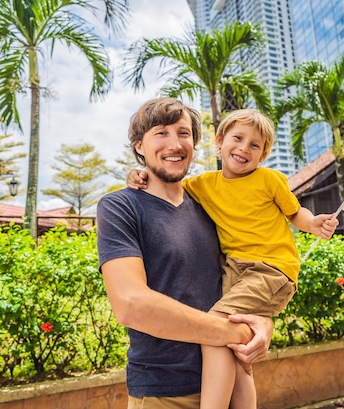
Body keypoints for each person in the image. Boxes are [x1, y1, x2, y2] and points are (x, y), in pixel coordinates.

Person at [127, 108, 339, 409]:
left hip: (271, 269)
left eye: (255, 145)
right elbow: (165, 183)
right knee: (235, 348)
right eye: (237, 139)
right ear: (220, 141)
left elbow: (295, 212)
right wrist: (139, 174)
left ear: (263, 155)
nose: (243, 148)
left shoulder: (270, 180)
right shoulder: (203, 185)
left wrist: (313, 223)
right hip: (235, 269)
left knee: (215, 326)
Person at [96, 98, 274, 409]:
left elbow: (245, 272)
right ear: (140, 147)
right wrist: (231, 331)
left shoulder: (212, 206)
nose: (175, 144)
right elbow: (130, 304)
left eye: (184, 133)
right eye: (161, 134)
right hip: (163, 393)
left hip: (230, 382)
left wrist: (262, 324)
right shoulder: (120, 207)